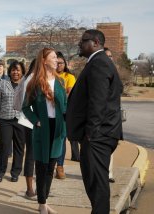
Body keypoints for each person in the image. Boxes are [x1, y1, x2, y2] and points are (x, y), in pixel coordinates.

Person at [66, 30, 123, 214]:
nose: (79, 44)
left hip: (98, 136)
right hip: (98, 134)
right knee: (95, 184)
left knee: (97, 185)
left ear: (96, 42)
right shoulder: (98, 62)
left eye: (83, 41)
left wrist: (90, 133)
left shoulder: (99, 63)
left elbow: (98, 102)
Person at [23, 48, 67, 214]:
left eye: (57, 58)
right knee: (41, 168)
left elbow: (66, 106)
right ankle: (42, 204)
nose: (57, 60)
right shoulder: (34, 83)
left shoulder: (60, 82)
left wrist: (66, 126)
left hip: (58, 129)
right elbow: (26, 108)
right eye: (54, 57)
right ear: (44, 60)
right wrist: (37, 121)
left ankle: (44, 201)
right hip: (42, 129)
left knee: (51, 168)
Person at [0, 60, 26, 183]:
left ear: (22, 72)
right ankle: (0, 172)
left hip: (21, 120)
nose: (15, 72)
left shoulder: (26, 84)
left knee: (19, 147)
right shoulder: (3, 84)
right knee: (4, 146)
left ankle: (15, 173)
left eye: (18, 70)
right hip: (5, 120)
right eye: (13, 70)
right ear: (10, 72)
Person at [13, 59, 36, 199]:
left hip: (28, 120)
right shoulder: (31, 79)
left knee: (32, 154)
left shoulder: (27, 78)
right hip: (32, 121)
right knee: (32, 154)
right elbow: (26, 102)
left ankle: (32, 188)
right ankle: (30, 189)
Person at [55, 51, 78, 180]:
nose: (59, 65)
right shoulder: (48, 76)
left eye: (61, 63)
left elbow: (68, 94)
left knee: (62, 139)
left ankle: (60, 166)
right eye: (56, 63)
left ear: (65, 64)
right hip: (49, 113)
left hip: (64, 113)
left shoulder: (69, 77)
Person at [104, 47, 116, 183]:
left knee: (111, 146)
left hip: (112, 116)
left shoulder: (115, 73)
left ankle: (109, 173)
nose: (109, 58)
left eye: (111, 56)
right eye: (107, 56)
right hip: (100, 116)